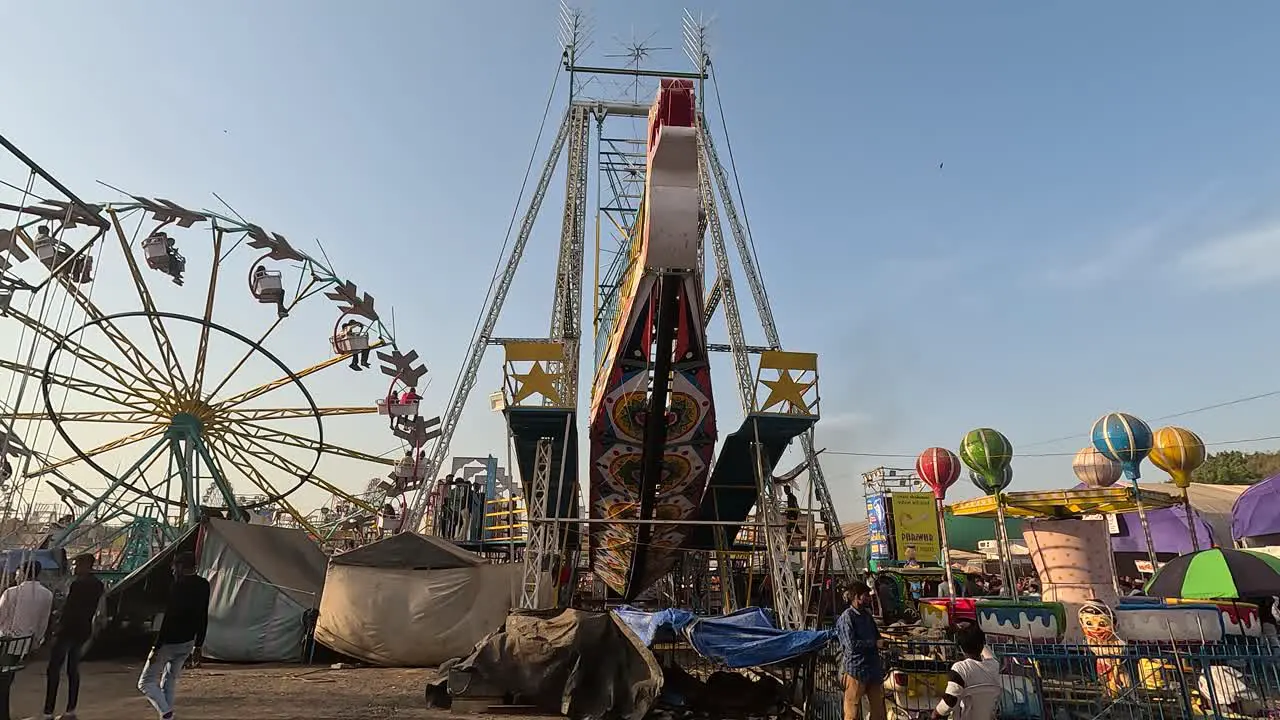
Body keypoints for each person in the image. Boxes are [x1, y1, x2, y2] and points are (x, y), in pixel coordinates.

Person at [138, 552, 209, 720]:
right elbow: (203, 615)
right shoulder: (204, 584)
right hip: (188, 641)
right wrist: (199, 644)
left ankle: (166, 712)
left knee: (145, 682)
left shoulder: (177, 587)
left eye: (174, 566)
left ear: (182, 567)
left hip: (169, 641)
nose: (172, 570)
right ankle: (167, 716)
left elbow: (169, 618)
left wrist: (157, 645)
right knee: (169, 680)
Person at [42, 553, 105, 720]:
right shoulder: (98, 584)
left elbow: (70, 610)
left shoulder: (78, 585)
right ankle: (70, 710)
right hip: (83, 630)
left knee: (54, 669)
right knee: (73, 669)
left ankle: (48, 711)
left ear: (85, 565)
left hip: (68, 631)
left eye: (77, 565)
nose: (75, 568)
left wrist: (57, 629)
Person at [0, 561, 53, 720]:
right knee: (7, 679)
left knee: (3, 681)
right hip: (24, 644)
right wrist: (35, 643)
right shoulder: (47, 594)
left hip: (6, 644)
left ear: (22, 572)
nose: (16, 575)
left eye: (17, 572)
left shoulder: (11, 593)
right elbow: (43, 623)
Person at [836, 581, 886, 720]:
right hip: (856, 669)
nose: (869, 599)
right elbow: (851, 646)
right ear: (857, 597)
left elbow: (877, 635)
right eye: (866, 596)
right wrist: (874, 644)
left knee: (879, 710)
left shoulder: (867, 615)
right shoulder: (847, 618)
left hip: (873, 669)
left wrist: (881, 642)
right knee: (852, 711)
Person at [931, 624, 1000, 720]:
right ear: (982, 643)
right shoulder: (994, 666)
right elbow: (988, 653)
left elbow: (950, 701)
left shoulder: (961, 669)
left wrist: (935, 713)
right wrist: (973, 636)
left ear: (961, 649)